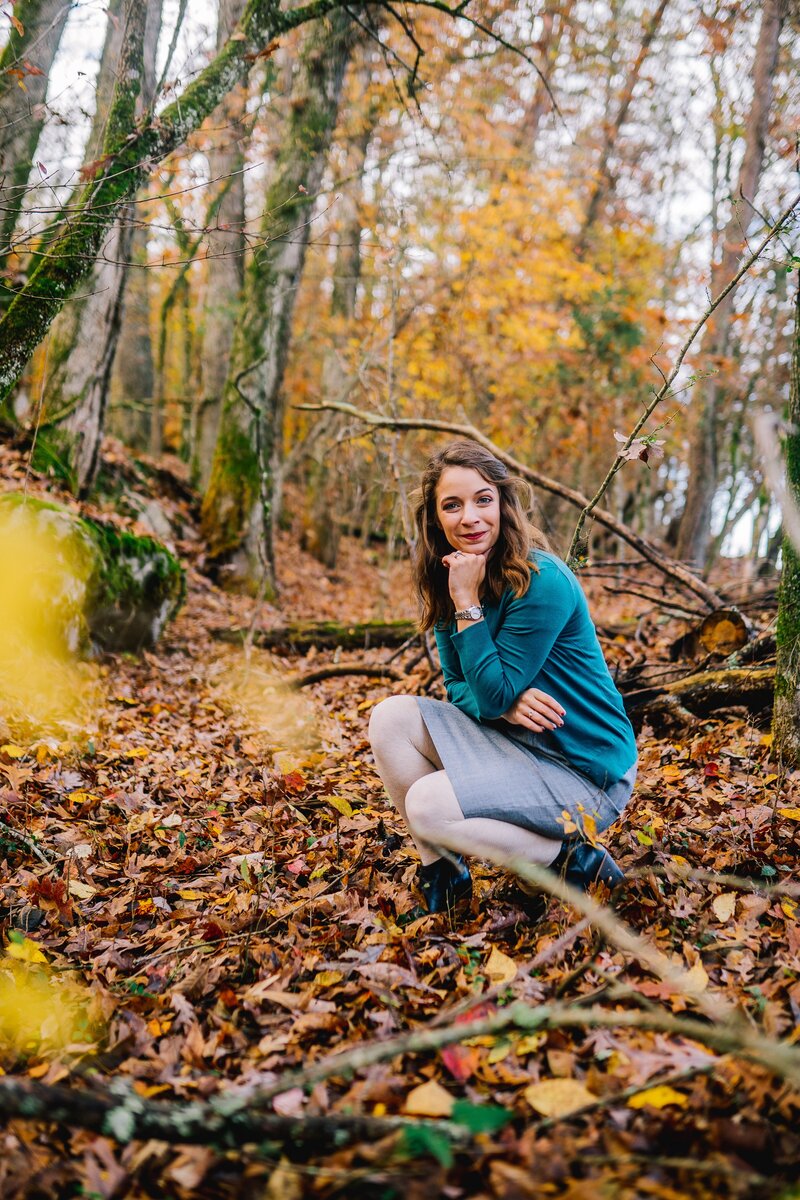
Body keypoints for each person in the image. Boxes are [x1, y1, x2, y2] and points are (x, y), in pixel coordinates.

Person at [368, 441, 638, 914]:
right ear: (435, 519)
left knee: (428, 805)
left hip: (584, 768)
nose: (469, 517)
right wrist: (504, 704)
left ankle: (572, 858)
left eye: (482, 499)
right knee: (390, 719)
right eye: (452, 505)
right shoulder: (452, 576)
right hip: (514, 741)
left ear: (503, 504)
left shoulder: (542, 578)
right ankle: (445, 872)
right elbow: (459, 688)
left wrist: (469, 609)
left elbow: (489, 693)